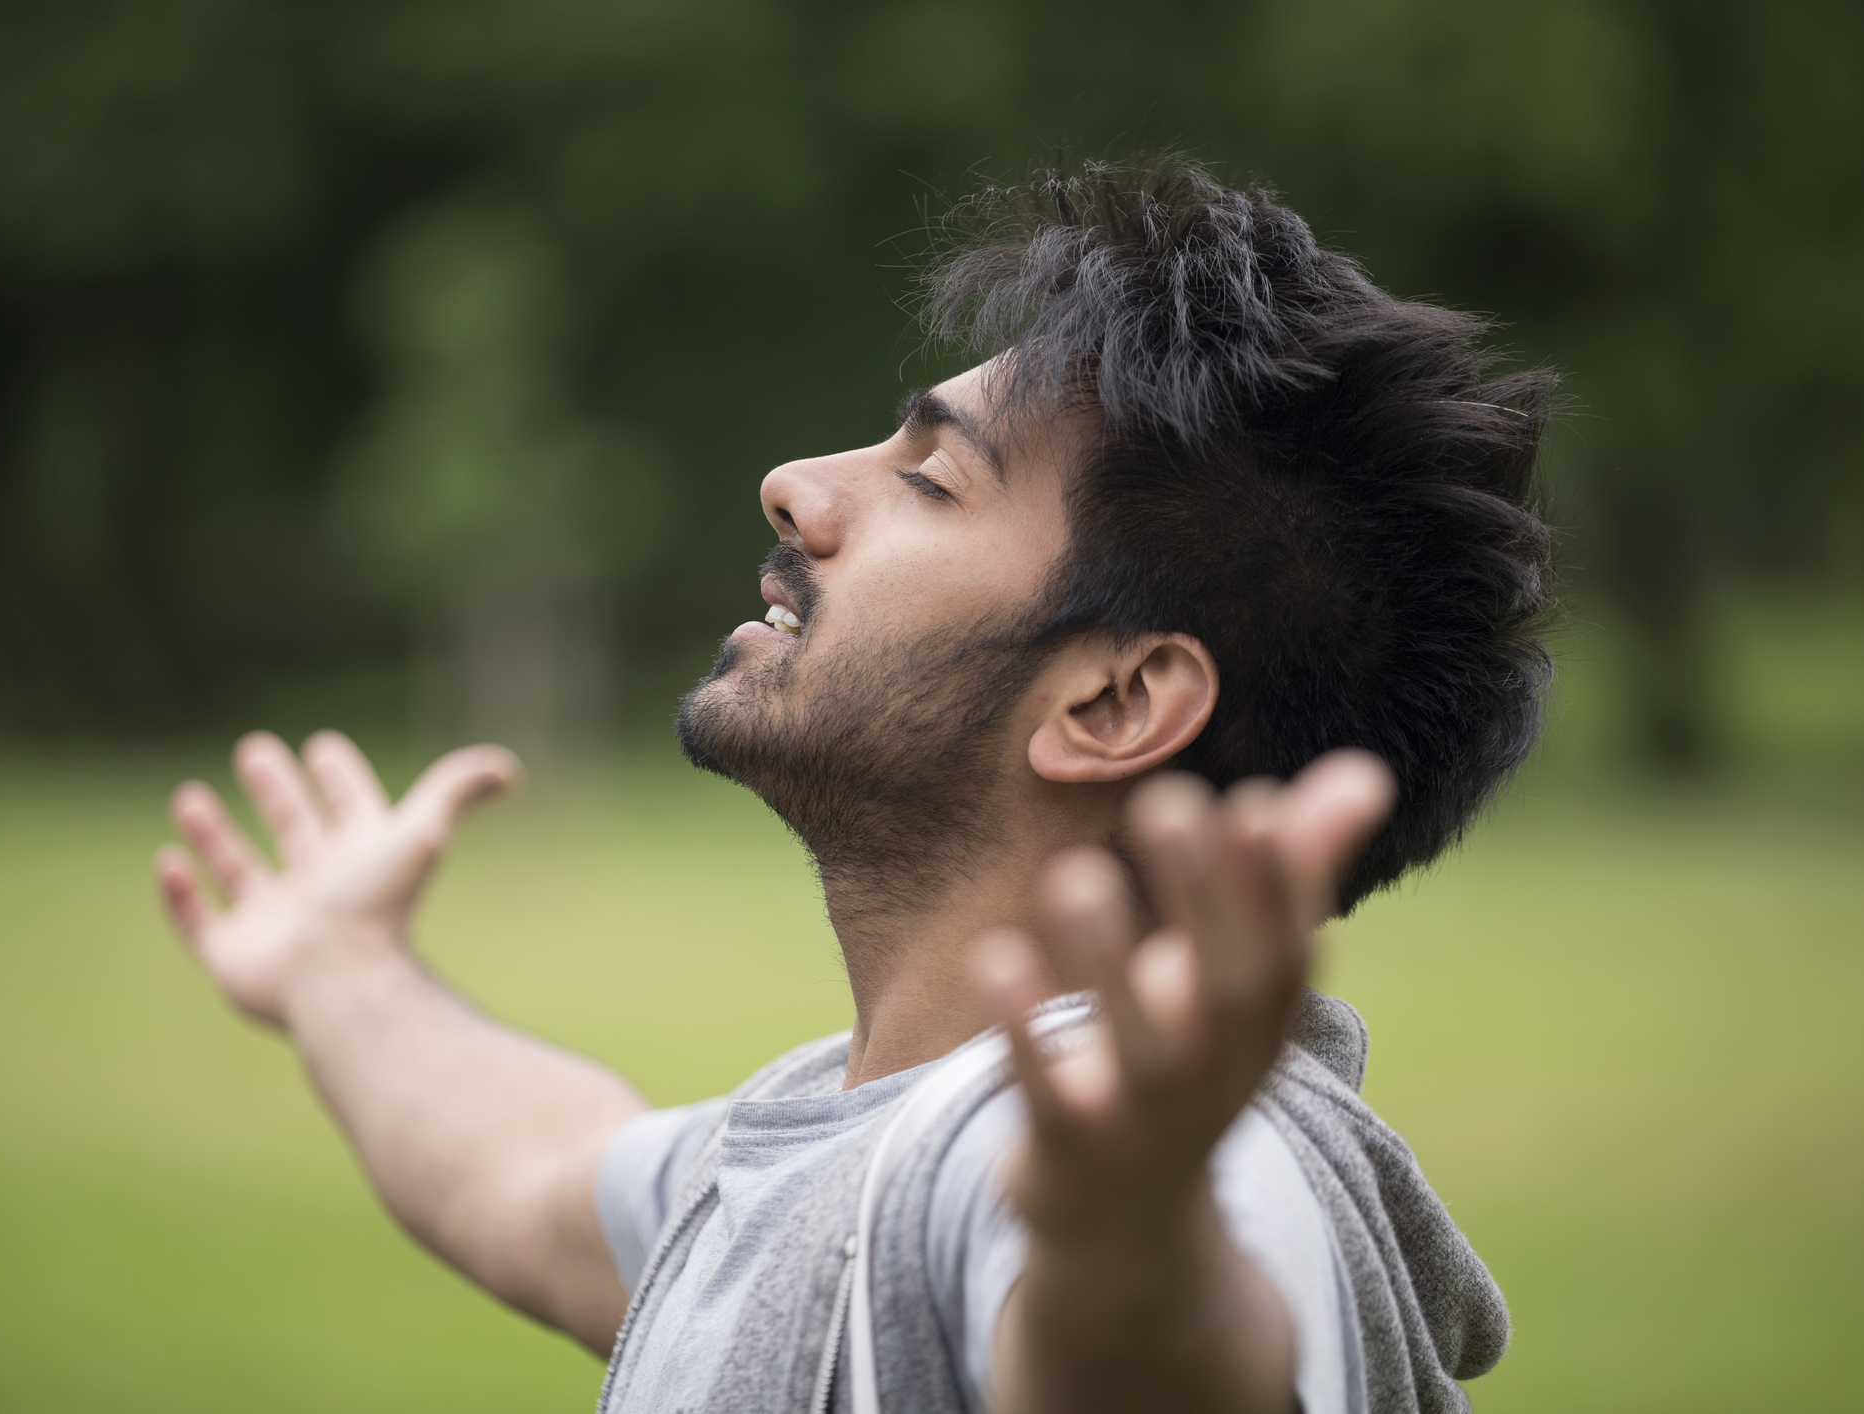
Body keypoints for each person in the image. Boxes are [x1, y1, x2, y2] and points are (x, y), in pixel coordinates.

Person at [155, 155, 1553, 1414]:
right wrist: (338, 965)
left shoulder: (1174, 1178)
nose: (794, 486)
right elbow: (528, 1177)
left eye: (931, 477)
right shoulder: (839, 1147)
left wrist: (1119, 1246)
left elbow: (1156, 1357)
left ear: (1114, 700)